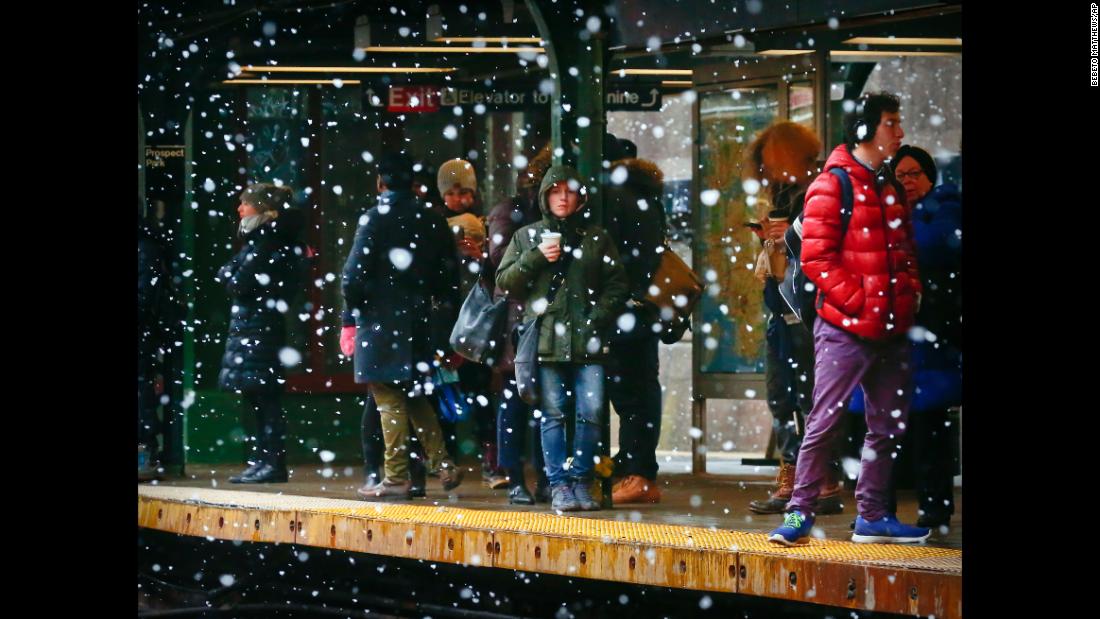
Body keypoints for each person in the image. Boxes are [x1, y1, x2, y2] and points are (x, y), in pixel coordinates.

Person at [769, 92, 930, 545]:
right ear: (866, 128)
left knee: (887, 423)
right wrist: (861, 302)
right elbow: (817, 258)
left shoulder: (888, 185)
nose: (899, 133)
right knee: (824, 419)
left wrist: (909, 292)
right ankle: (799, 513)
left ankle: (874, 515)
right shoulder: (832, 184)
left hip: (891, 329)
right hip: (846, 327)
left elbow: (904, 254)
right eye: (891, 123)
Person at [496, 165, 629, 512]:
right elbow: (506, 281)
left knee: (592, 413)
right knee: (552, 414)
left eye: (569, 191)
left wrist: (594, 318)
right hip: (546, 341)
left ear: (580, 198)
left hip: (590, 341)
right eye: (555, 192)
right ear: (544, 197)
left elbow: (617, 284)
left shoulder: (596, 237)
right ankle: (559, 485)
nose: (563, 198)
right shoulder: (526, 237)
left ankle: (583, 482)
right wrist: (537, 257)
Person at [845, 145, 962, 529]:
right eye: (901, 175)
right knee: (882, 433)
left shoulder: (946, 210)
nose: (907, 182)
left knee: (930, 430)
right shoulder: (883, 213)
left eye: (915, 174)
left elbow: (932, 243)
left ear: (930, 178)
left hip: (931, 340)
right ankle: (879, 510)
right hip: (888, 337)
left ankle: (935, 510)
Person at [342, 152, 464, 498]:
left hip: (379, 319)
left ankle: (395, 475)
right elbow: (448, 278)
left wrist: (355, 309)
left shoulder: (373, 219)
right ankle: (442, 463)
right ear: (414, 185)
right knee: (413, 395)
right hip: (419, 318)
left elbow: (352, 276)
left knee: (387, 397)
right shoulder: (432, 220)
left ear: (380, 183)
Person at [739, 122, 844, 516]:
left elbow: (819, 252)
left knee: (807, 399)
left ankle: (819, 478)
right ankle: (796, 474)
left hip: (807, 312)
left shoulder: (818, 192)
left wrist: (791, 238)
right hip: (783, 311)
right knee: (783, 398)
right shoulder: (788, 192)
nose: (766, 172)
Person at [216, 183, 309, 484]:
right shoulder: (264, 241)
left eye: (245, 203)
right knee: (259, 399)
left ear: (262, 209)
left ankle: (271, 463)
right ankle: (263, 461)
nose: (240, 209)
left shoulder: (269, 241)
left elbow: (236, 281)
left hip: (260, 330)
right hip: (256, 328)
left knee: (265, 400)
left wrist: (232, 275)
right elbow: (232, 276)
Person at [601, 135, 668, 505]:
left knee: (629, 397)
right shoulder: (646, 195)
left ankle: (636, 473)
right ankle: (639, 469)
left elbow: (609, 257)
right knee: (643, 391)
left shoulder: (612, 198)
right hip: (644, 308)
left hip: (621, 309)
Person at [485, 145, 553, 504]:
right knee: (518, 400)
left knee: (539, 403)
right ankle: (517, 477)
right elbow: (501, 264)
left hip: (538, 315)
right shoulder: (511, 213)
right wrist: (538, 252)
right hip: (518, 319)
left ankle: (538, 477)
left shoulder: (511, 212)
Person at [437, 158, 508, 490]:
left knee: (480, 400)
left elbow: (495, 282)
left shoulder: (488, 226)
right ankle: (446, 460)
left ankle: (491, 462)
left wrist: (481, 258)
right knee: (447, 401)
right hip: (449, 330)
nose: (460, 199)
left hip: (476, 330)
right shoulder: (434, 228)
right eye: (452, 193)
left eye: (465, 192)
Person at [138, 200, 168, 482]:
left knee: (141, 393)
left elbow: (145, 296)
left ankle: (144, 452)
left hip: (142, 333)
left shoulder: (146, 248)